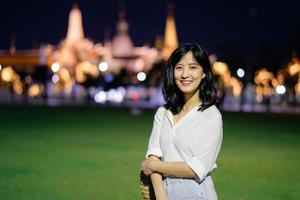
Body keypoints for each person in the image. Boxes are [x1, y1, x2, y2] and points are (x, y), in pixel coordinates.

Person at [141, 43, 223, 200]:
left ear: (204, 72)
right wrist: (160, 196)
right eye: (179, 68)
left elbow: (197, 168)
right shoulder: (163, 113)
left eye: (193, 67)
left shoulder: (211, 116)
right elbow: (153, 154)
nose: (185, 74)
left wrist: (154, 166)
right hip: (163, 193)